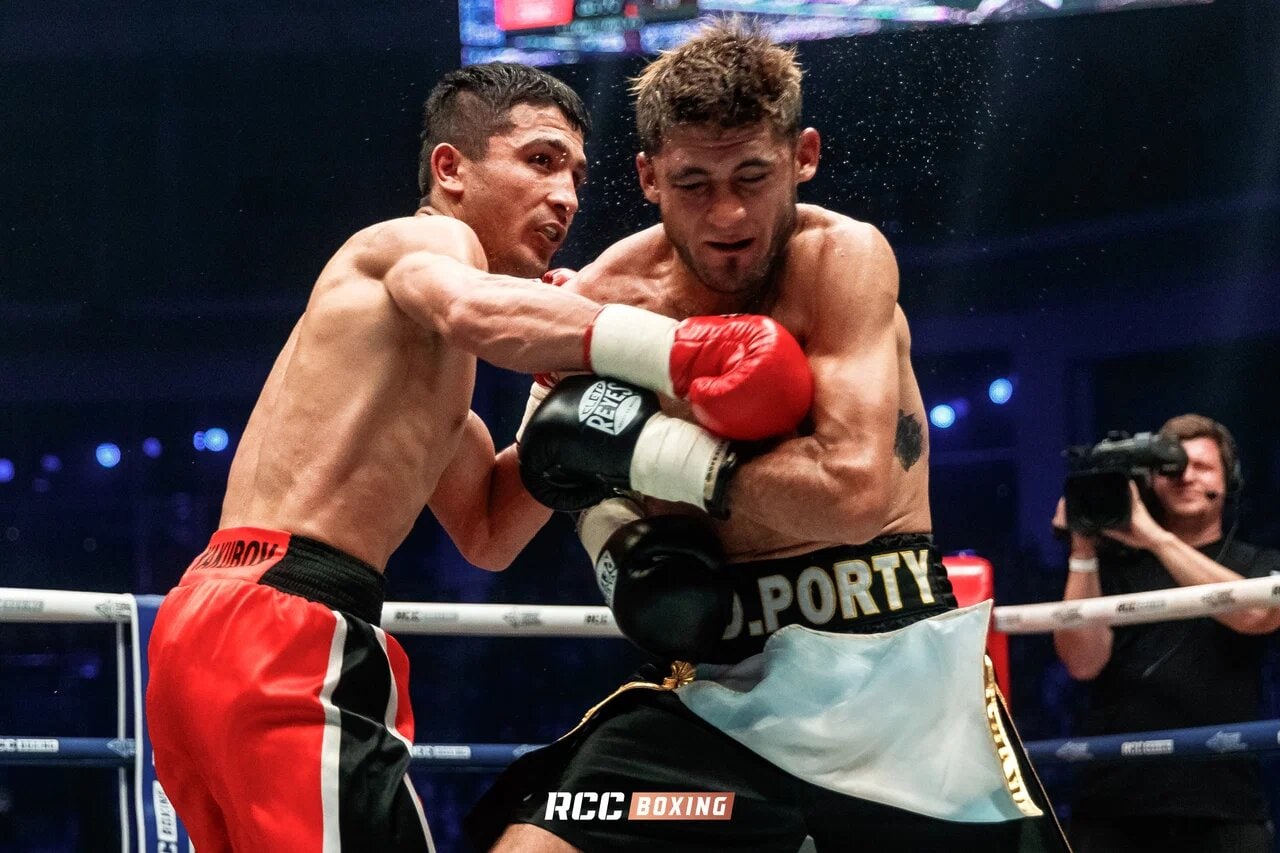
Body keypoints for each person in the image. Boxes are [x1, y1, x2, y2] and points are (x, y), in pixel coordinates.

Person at [143, 61, 813, 852]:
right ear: (451, 168)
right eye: (539, 160)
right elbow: (472, 307)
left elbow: (487, 531)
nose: (565, 195)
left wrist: (558, 404)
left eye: (575, 174)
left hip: (209, 624)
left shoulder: (421, 375)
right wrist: (674, 346)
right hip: (285, 628)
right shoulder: (424, 239)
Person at [467, 19, 1069, 852]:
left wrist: (645, 447)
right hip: (721, 695)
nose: (729, 214)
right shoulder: (605, 299)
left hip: (897, 677)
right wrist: (450, 367)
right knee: (540, 839)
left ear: (802, 156)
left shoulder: (841, 259)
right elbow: (496, 529)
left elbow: (853, 494)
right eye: (693, 183)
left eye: (752, 175)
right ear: (647, 176)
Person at [1053, 413, 1280, 853]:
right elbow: (1081, 663)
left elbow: (1257, 615)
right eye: (1171, 469)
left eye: (1202, 467)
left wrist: (1156, 538)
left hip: (1223, 802)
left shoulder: (1257, 562)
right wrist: (1082, 549)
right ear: (1150, 483)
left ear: (1229, 480)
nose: (1185, 477)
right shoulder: (1115, 566)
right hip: (1114, 802)